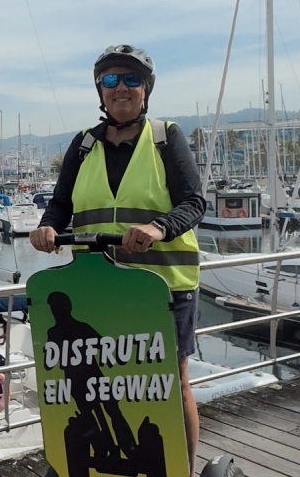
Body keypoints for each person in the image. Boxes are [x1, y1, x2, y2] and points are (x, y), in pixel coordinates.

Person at [29, 44, 206, 474]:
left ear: (146, 89)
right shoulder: (84, 145)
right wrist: (47, 227)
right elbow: (60, 205)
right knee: (107, 388)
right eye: (110, 80)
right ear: (100, 91)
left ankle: (181, 468)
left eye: (131, 79)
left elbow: (194, 202)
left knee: (171, 381)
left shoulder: (166, 138)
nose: (120, 88)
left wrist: (158, 228)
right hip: (98, 288)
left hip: (162, 288)